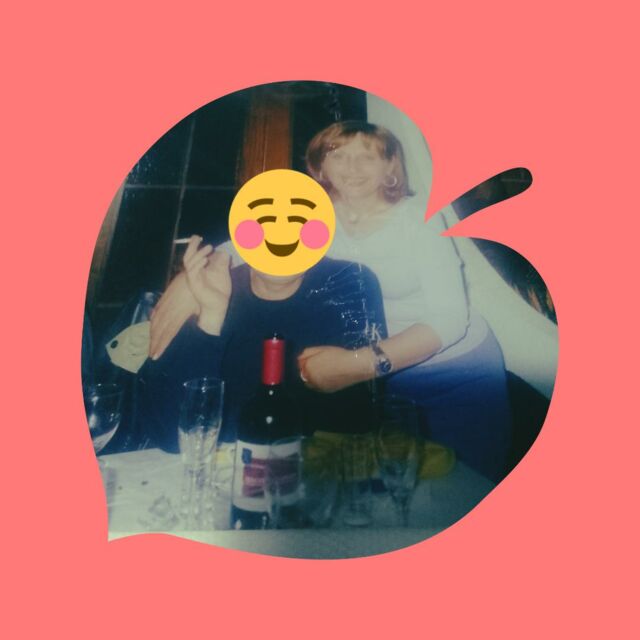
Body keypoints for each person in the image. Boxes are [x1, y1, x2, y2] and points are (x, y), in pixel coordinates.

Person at [150, 121, 511, 480]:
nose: (353, 167)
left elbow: (449, 318)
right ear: (320, 166)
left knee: (469, 488)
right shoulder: (316, 217)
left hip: (456, 374)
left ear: (390, 167)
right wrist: (187, 283)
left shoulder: (420, 220)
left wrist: (358, 364)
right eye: (339, 155)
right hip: (386, 379)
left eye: (367, 156)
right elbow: (246, 242)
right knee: (403, 488)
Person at [139, 237, 386, 452]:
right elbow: (171, 436)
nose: (281, 235)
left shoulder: (349, 283)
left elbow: (360, 425)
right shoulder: (208, 284)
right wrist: (211, 316)